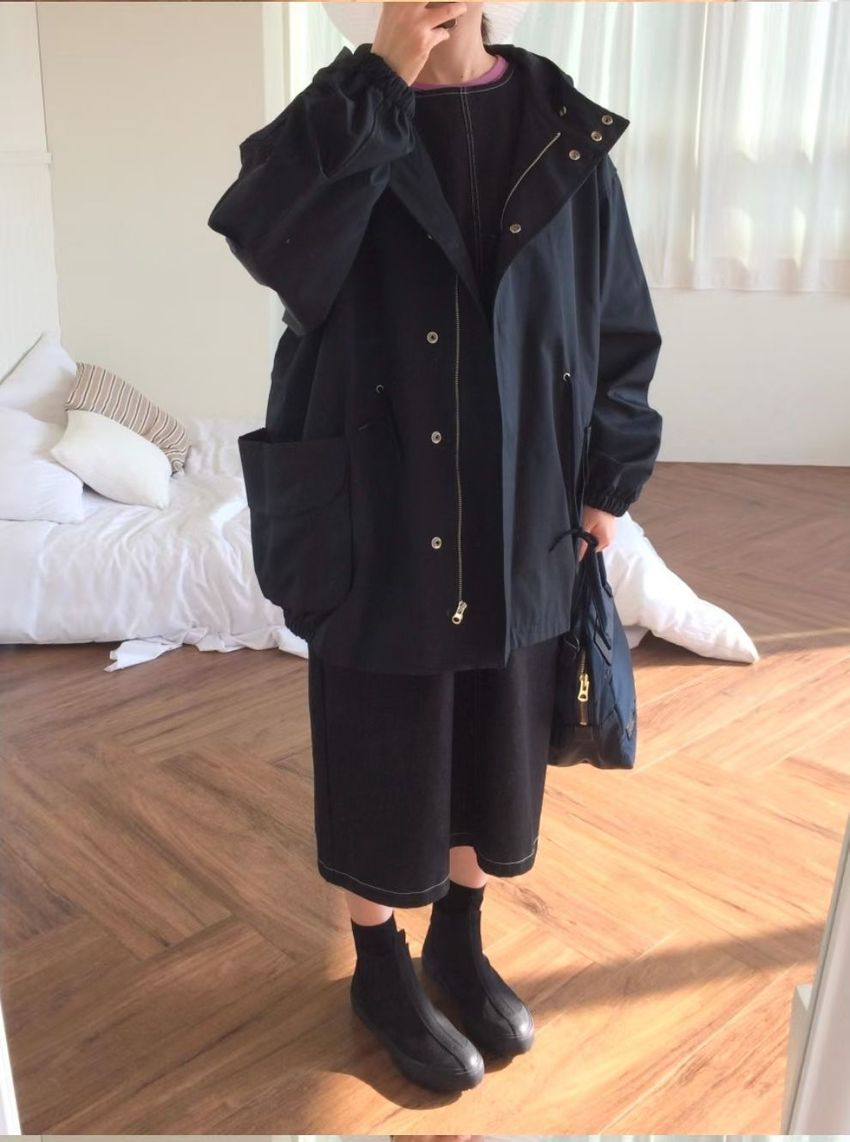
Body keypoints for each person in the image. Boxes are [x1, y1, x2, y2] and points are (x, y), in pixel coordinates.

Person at [207, 0, 663, 1095]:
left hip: (522, 498)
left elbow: (617, 325)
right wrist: (380, 77)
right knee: (381, 739)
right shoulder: (340, 112)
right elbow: (271, 244)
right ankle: (378, 966)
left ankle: (459, 939)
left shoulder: (561, 128)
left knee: (496, 737)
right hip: (374, 497)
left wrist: (606, 484)